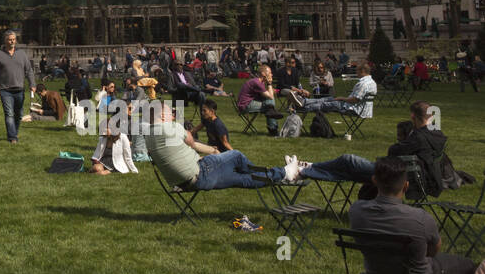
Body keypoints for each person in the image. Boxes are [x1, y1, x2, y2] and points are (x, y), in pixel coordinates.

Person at [144, 102, 379, 191]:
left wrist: (211, 150)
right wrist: (215, 150)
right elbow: (190, 140)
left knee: (243, 181)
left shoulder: (148, 134)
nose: (173, 113)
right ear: (163, 115)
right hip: (200, 172)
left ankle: (282, 175)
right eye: (170, 112)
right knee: (235, 156)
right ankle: (285, 172)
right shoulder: (169, 127)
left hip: (184, 184)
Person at [348, 157, 480, 274]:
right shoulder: (421, 218)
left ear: (374, 181)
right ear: (406, 186)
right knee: (468, 266)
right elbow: (434, 250)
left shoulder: (356, 211)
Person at [0, 30, 36, 144]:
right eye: (10, 39)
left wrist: (32, 84)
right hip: (5, 90)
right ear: (5, 41)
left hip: (19, 89)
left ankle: (14, 131)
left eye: (14, 39)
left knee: (19, 114)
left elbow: (29, 70)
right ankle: (12, 137)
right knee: (9, 113)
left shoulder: (22, 54)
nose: (12, 41)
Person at [284, 62, 377, 117]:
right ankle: (303, 102)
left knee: (324, 104)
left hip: (353, 109)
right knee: (326, 99)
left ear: (362, 71)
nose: (356, 73)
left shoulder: (363, 83)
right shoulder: (372, 82)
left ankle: (300, 107)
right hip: (361, 108)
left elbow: (355, 99)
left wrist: (342, 98)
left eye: (357, 71)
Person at [236, 64, 283, 135]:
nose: (272, 74)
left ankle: (272, 123)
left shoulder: (259, 82)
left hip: (247, 103)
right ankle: (273, 130)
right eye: (270, 72)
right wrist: (269, 84)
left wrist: (270, 91)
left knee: (269, 106)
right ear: (263, 74)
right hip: (246, 105)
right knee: (269, 105)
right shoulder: (257, 83)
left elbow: (266, 95)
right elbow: (270, 96)